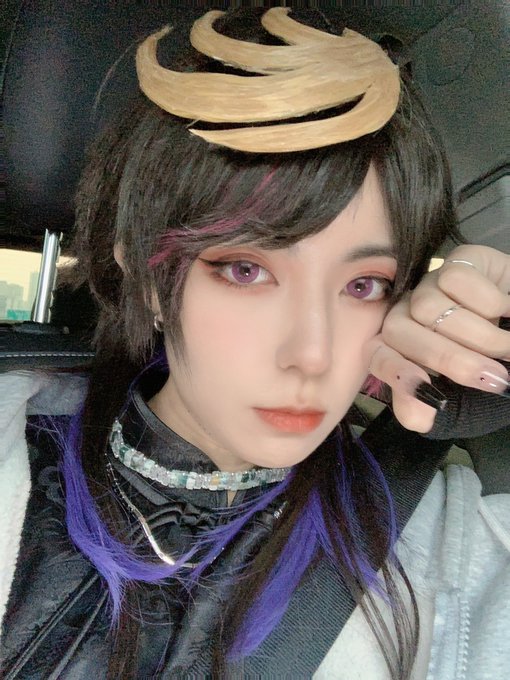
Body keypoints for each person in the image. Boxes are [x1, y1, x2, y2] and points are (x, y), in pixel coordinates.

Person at [1, 8, 509, 679]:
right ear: (149, 280)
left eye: (364, 285)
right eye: (245, 270)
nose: (312, 354)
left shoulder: (433, 540)